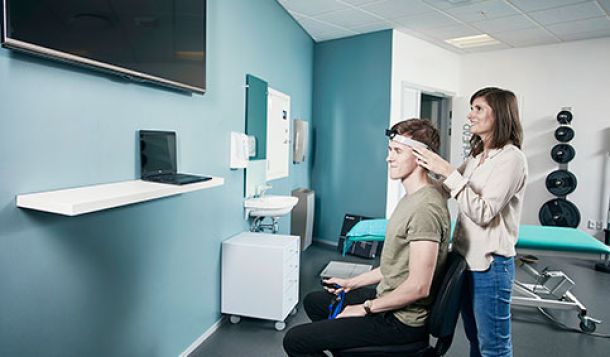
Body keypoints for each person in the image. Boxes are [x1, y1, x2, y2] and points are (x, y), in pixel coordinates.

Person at [282, 119, 451, 357]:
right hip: (389, 298)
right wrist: (351, 283)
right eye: (390, 150)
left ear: (422, 157)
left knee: (295, 340)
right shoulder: (412, 198)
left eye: (397, 151)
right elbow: (395, 267)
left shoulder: (425, 208)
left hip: (401, 322)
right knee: (314, 302)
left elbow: (419, 287)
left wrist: (365, 308)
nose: (388, 158)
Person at [413, 87, 528, 357]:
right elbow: (445, 189)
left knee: (494, 347)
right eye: (472, 108)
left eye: (478, 109)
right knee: (476, 339)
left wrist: (448, 171)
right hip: (465, 261)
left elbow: (484, 212)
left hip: (491, 266)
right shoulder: (477, 158)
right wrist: (416, 163)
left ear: (499, 115)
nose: (470, 115)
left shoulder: (511, 159)